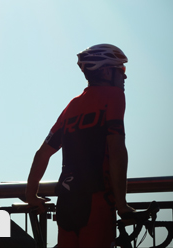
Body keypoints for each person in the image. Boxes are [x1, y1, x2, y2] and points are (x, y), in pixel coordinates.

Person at [25, 44, 135, 247]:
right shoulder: (114, 96)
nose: (125, 76)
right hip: (97, 200)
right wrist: (122, 204)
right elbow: (117, 150)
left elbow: (42, 154)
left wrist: (31, 195)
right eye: (121, 69)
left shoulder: (72, 106)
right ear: (106, 71)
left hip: (67, 202)